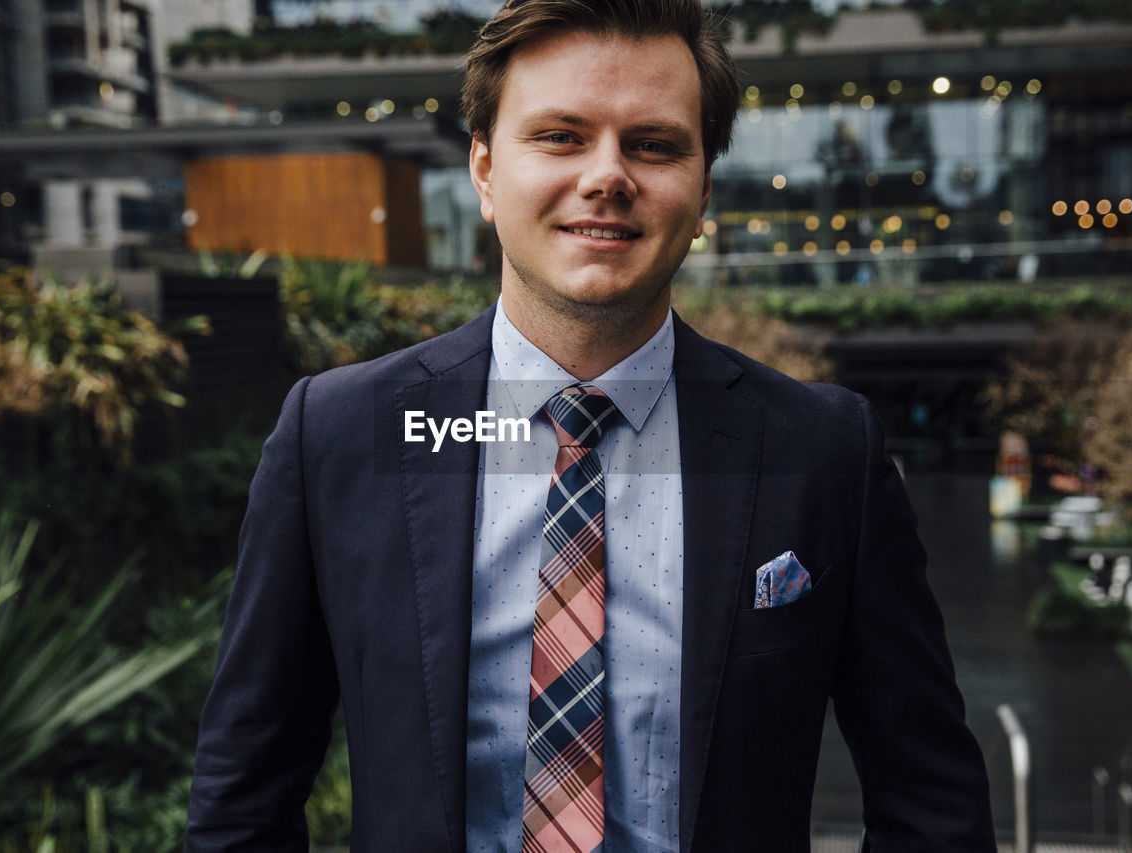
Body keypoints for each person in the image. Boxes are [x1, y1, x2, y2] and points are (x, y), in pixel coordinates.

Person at [185, 1, 996, 850]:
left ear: (704, 187)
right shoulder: (341, 436)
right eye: (562, 136)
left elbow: (931, 803)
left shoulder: (824, 451)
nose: (608, 175)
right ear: (486, 171)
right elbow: (244, 794)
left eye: (654, 144)